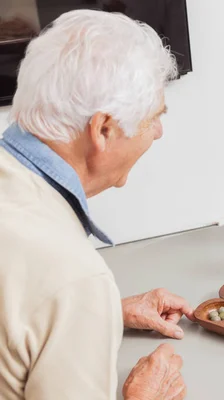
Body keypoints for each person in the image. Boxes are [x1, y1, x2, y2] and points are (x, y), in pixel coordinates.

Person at [0, 10, 192, 399]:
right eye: (153, 117)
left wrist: (99, 316)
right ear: (103, 130)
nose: (158, 131)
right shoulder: (73, 277)